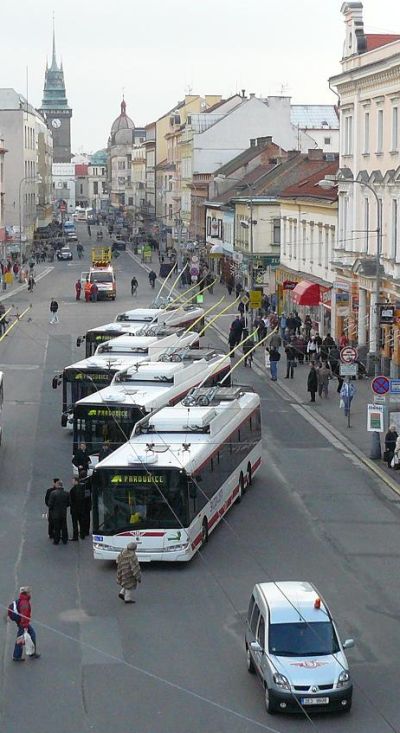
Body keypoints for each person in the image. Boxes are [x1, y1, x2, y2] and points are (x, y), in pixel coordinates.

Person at [12, 586, 40, 661]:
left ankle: (19, 655)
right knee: (23, 638)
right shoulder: (25, 603)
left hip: (22, 623)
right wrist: (25, 626)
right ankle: (19, 655)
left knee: (24, 637)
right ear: (26, 593)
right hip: (24, 624)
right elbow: (24, 615)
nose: (30, 593)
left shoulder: (22, 600)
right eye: (29, 592)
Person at [77, 469, 92, 538]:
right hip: (88, 502)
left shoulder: (80, 483)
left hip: (82, 503)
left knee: (82, 517)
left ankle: (83, 529)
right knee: (87, 516)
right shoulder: (89, 481)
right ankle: (87, 530)